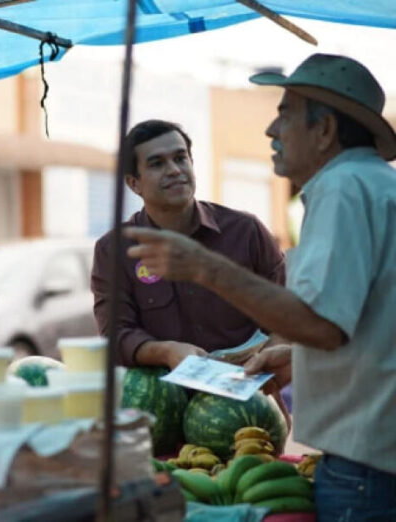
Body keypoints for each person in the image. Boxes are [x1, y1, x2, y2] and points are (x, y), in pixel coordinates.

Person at [125, 54, 396, 520]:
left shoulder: (344, 189)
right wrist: (294, 355)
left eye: (284, 112)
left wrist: (206, 268)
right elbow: (369, 323)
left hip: (365, 465)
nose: (271, 130)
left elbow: (321, 325)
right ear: (134, 182)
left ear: (325, 129)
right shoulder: (373, 186)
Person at [91, 119, 285, 369]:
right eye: (157, 163)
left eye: (180, 158)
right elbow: (116, 335)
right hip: (162, 397)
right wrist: (165, 352)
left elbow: (289, 311)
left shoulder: (246, 231)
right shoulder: (115, 251)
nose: (174, 170)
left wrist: (268, 361)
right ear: (133, 183)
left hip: (248, 390)